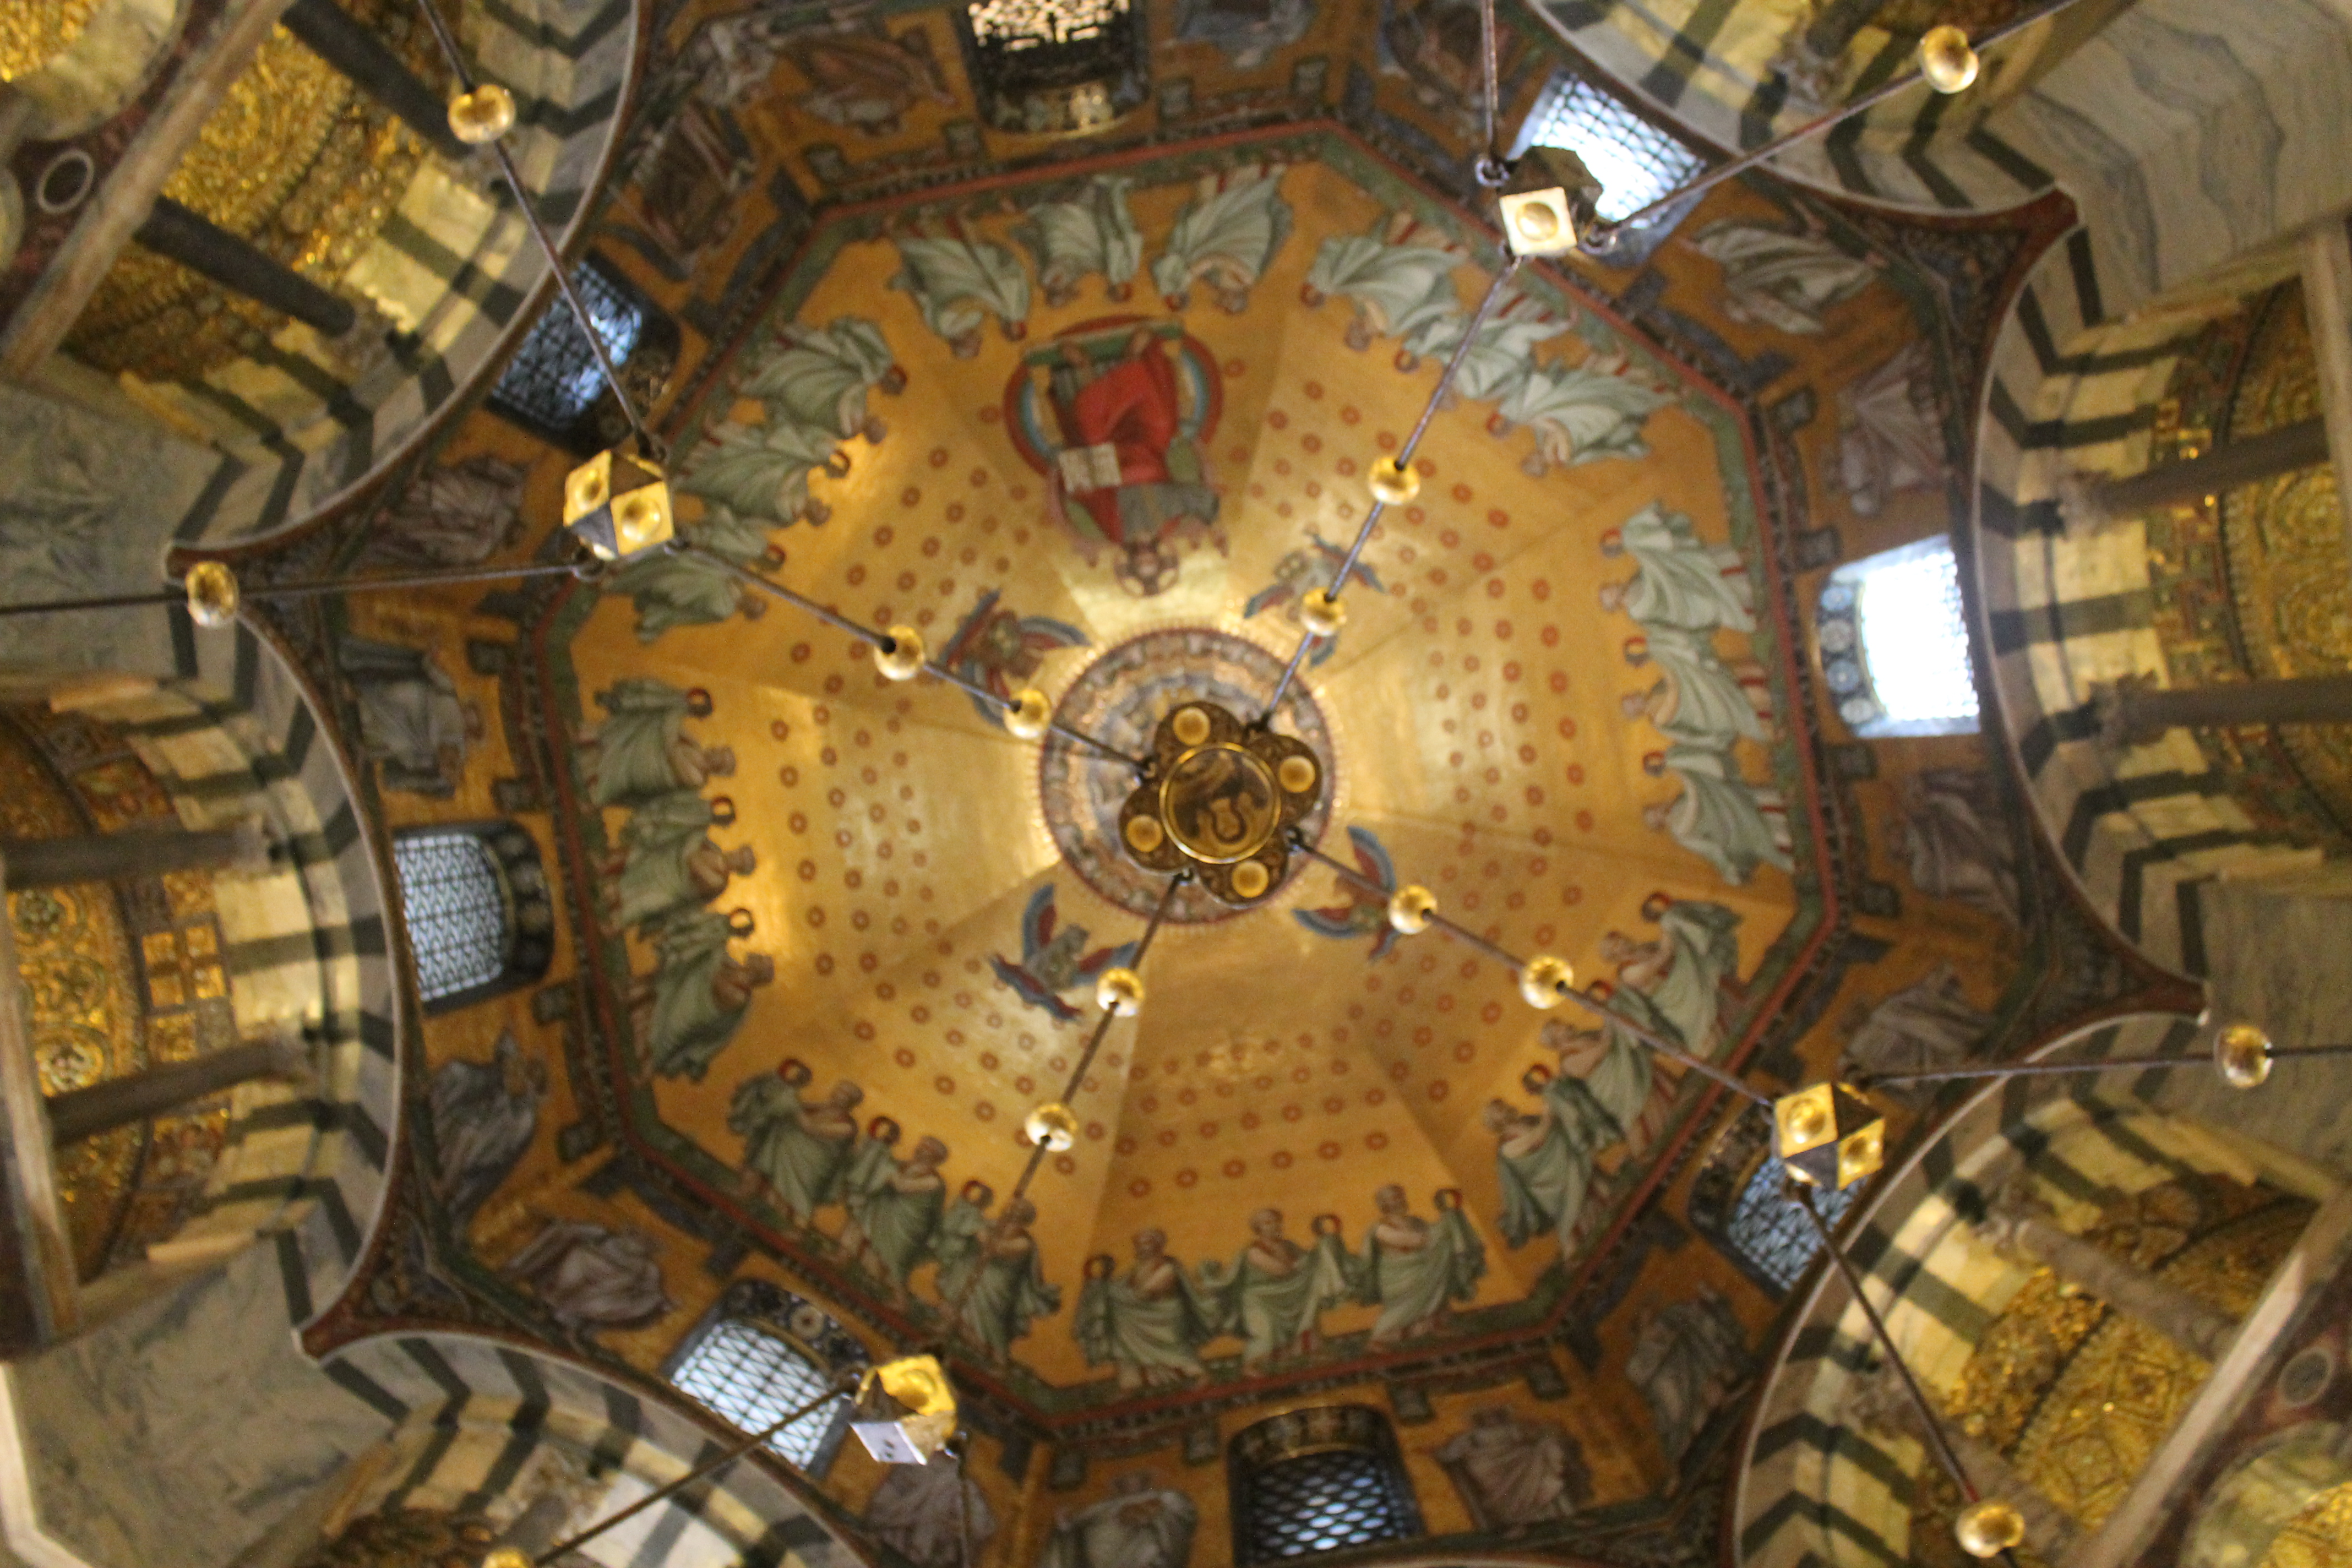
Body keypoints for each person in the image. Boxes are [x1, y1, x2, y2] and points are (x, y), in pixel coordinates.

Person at [630, 910, 774, 1079]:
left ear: (758, 972)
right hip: (686, 999)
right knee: (657, 1019)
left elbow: (719, 988)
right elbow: (718, 953)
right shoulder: (734, 967)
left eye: (762, 960)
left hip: (693, 1014)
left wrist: (715, 966)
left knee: (666, 1041)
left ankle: (643, 1076)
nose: (759, 955)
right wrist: (726, 931)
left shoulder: (741, 995)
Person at [428, 1028, 547, 1226]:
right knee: (456, 1070)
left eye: (533, 1076)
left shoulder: (527, 1118)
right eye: (530, 1068)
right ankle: (426, 1101)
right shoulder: (515, 1077)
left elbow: (499, 1136)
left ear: (534, 1088)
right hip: (467, 1119)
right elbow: (506, 1046)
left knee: (469, 1132)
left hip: (481, 1153)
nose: (527, 1072)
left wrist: (507, 1091)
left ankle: (446, 1188)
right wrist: (509, 1063)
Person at [1075, 1229, 1220, 1390]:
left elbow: (1144, 1294)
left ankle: (1199, 1374)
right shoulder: (1138, 1269)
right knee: (1121, 1337)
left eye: (1146, 1243)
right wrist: (1100, 1285)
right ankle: (1130, 1384)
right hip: (1139, 1317)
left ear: (1158, 1245)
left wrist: (1110, 1292)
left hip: (1164, 1318)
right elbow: (1122, 1286)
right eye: (1138, 1244)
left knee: (1174, 1348)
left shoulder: (1168, 1268)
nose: (1141, 1247)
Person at [339, 636, 480, 798]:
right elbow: (431, 670)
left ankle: (363, 734)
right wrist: (431, 657)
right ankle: (358, 695)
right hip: (416, 700)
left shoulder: (451, 750)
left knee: (399, 740)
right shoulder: (450, 696)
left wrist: (418, 760)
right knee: (399, 697)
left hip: (409, 731)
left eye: (471, 721)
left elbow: (416, 761)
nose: (467, 718)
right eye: (469, 713)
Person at [1643, 745, 1793, 885]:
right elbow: (1710, 849)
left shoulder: (1679, 800)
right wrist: (1727, 867)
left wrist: (1678, 768)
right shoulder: (1679, 832)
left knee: (1743, 797)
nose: (1657, 811)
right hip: (1732, 830)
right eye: (1655, 816)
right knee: (1765, 834)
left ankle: (1788, 801)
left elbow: (1703, 791)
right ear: (1659, 824)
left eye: (1654, 809)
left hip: (1730, 804)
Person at [1597, 503, 1755, 635]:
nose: (1613, 587)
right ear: (1616, 603)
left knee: (1700, 561)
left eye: (1609, 587)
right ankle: (1753, 613)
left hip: (1678, 582)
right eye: (1610, 593)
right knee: (1718, 596)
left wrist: (1647, 554)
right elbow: (1656, 591)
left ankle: (1745, 555)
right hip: (1686, 601)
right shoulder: (1637, 610)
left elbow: (1652, 572)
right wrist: (1648, 559)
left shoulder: (1631, 584)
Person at [1150, 165, 1292, 312]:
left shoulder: (1217, 283)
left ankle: (1209, 178)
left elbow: (1204, 264)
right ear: (1238, 299)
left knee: (1193, 239)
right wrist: (1195, 270)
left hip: (1220, 237)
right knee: (1204, 226)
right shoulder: (1247, 279)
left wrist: (1186, 279)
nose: (1224, 300)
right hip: (1243, 228)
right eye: (1228, 303)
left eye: (1224, 303)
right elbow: (1220, 259)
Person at [1358, 1185, 1484, 1346]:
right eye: (1395, 1198)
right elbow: (1416, 1241)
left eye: (1401, 1196)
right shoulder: (1381, 1229)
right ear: (1385, 1204)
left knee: (1440, 1266)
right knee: (1426, 1279)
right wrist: (1444, 1227)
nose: (1400, 1201)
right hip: (1398, 1278)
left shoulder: (1415, 1222)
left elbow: (1432, 1235)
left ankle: (1435, 1325)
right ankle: (1380, 1338)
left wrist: (1448, 1216)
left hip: (1422, 1269)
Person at [729, 1074, 863, 1223]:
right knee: (776, 1130)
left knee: (782, 1139)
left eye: (845, 1094)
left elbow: (812, 1129)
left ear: (852, 1102)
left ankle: (797, 1222)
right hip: (794, 1148)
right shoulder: (817, 1108)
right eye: (839, 1090)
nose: (839, 1095)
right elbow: (792, 1114)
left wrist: (793, 1105)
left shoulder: (848, 1126)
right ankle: (750, 1184)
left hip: (815, 1161)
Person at [582, 680, 736, 808]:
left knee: (643, 734)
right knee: (648, 722)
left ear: (718, 768)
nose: (715, 751)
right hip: (653, 753)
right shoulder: (695, 745)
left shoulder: (698, 779)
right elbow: (676, 733)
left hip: (651, 770)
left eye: (720, 756)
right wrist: (677, 710)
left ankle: (595, 749)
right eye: (719, 750)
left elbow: (672, 753)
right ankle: (597, 732)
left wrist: (675, 713)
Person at [1435, 1406, 1591, 1528]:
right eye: (1487, 1416)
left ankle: (1568, 1517)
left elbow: (1533, 1437)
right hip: (1494, 1468)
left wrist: (1547, 1433)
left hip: (1522, 1462)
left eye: (1495, 1415)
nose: (1492, 1418)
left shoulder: (1513, 1428)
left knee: (1544, 1470)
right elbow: (1450, 1453)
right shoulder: (1472, 1436)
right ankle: (1517, 1524)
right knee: (1506, 1486)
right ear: (1480, 1419)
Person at [503, 1220, 672, 1332]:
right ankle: (555, 1305)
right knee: (579, 1257)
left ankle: (564, 1312)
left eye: (646, 1241)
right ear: (628, 1232)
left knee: (622, 1282)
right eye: (636, 1234)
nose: (639, 1241)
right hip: (576, 1275)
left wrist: (660, 1302)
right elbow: (566, 1230)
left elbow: (651, 1293)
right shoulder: (602, 1236)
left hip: (602, 1295)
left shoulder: (647, 1269)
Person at [949, 1197, 1061, 1360]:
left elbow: (997, 1249)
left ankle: (996, 1356)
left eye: (1015, 1212)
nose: (1009, 1213)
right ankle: (958, 1327)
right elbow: (979, 1230)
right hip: (981, 1272)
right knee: (962, 1273)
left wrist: (982, 1233)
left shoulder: (1024, 1243)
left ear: (1023, 1220)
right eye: (1010, 1209)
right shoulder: (997, 1225)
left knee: (989, 1315)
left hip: (999, 1285)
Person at [841, 1132, 949, 1300]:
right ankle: (842, 1258)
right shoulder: (904, 1166)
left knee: (891, 1262)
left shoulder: (934, 1181)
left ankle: (900, 1301)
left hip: (906, 1227)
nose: (920, 1149)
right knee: (860, 1223)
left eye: (926, 1148)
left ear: (935, 1157)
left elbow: (902, 1186)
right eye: (921, 1146)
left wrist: (886, 1166)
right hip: (884, 1211)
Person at [1014, 177, 1143, 306]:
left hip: (1065, 241)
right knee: (1091, 232)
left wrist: (1026, 237)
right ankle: (1092, 189)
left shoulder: (1051, 280)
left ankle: (1086, 190)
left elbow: (1044, 255)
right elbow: (1077, 265)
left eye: (1064, 298)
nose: (1068, 296)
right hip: (1071, 245)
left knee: (1081, 225)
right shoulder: (1060, 281)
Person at [1033, 1471, 1197, 1568]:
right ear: (1119, 1485)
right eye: (1126, 1480)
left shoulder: (1165, 1497)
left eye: (1135, 1477)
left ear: (1144, 1480)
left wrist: (1152, 1513)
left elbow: (1180, 1514)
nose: (1131, 1482)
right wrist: (1064, 1526)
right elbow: (1075, 1530)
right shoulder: (1102, 1508)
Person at [865, 1449, 996, 1568]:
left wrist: (955, 1525)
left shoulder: (965, 1488)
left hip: (925, 1551)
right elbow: (883, 1501)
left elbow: (983, 1526)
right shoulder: (912, 1466)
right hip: (892, 1541)